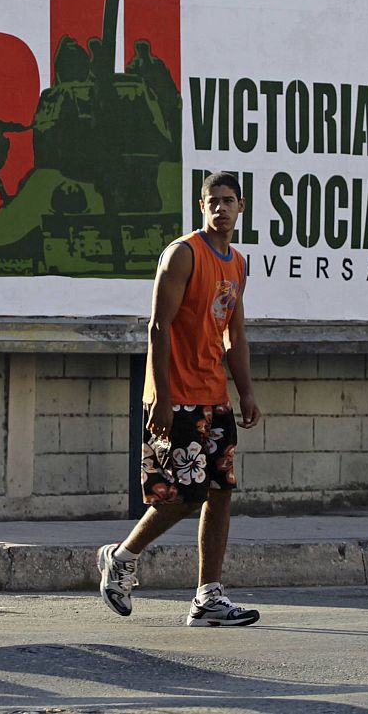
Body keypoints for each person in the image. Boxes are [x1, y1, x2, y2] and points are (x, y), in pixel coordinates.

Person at [96, 172, 262, 625]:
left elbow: (235, 332)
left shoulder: (238, 262)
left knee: (220, 492)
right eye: (213, 201)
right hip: (178, 395)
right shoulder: (183, 254)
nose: (220, 208)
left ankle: (209, 597)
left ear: (241, 207)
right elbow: (157, 326)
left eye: (228, 201)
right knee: (184, 495)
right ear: (201, 205)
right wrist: (163, 399)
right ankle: (123, 556)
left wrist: (245, 390)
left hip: (214, 395)